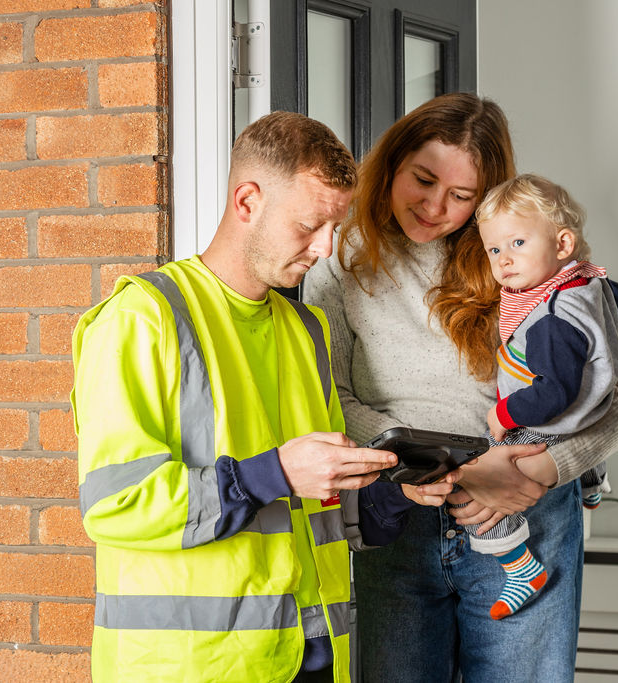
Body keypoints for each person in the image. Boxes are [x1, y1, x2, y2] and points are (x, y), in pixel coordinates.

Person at [71, 111, 459, 683]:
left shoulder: (308, 330)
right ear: (247, 201)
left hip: (315, 657)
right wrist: (272, 472)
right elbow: (115, 504)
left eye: (335, 226)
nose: (326, 248)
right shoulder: (143, 319)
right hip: (191, 668)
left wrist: (393, 496)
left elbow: (325, 515)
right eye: (310, 225)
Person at [302, 93, 618, 681]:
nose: (434, 205)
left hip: (521, 514)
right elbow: (330, 397)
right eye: (421, 179)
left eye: (461, 196)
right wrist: (457, 469)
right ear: (392, 163)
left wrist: (543, 469)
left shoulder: (514, 258)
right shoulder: (339, 257)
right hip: (397, 515)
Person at [452, 173, 618, 622]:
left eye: (517, 243)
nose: (504, 260)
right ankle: (593, 483)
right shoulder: (587, 285)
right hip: (594, 407)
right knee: (583, 423)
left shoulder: (550, 316)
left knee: (476, 501)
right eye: (494, 250)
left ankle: (520, 568)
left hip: (547, 420)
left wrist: (504, 413)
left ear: (563, 244)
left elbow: (551, 395)